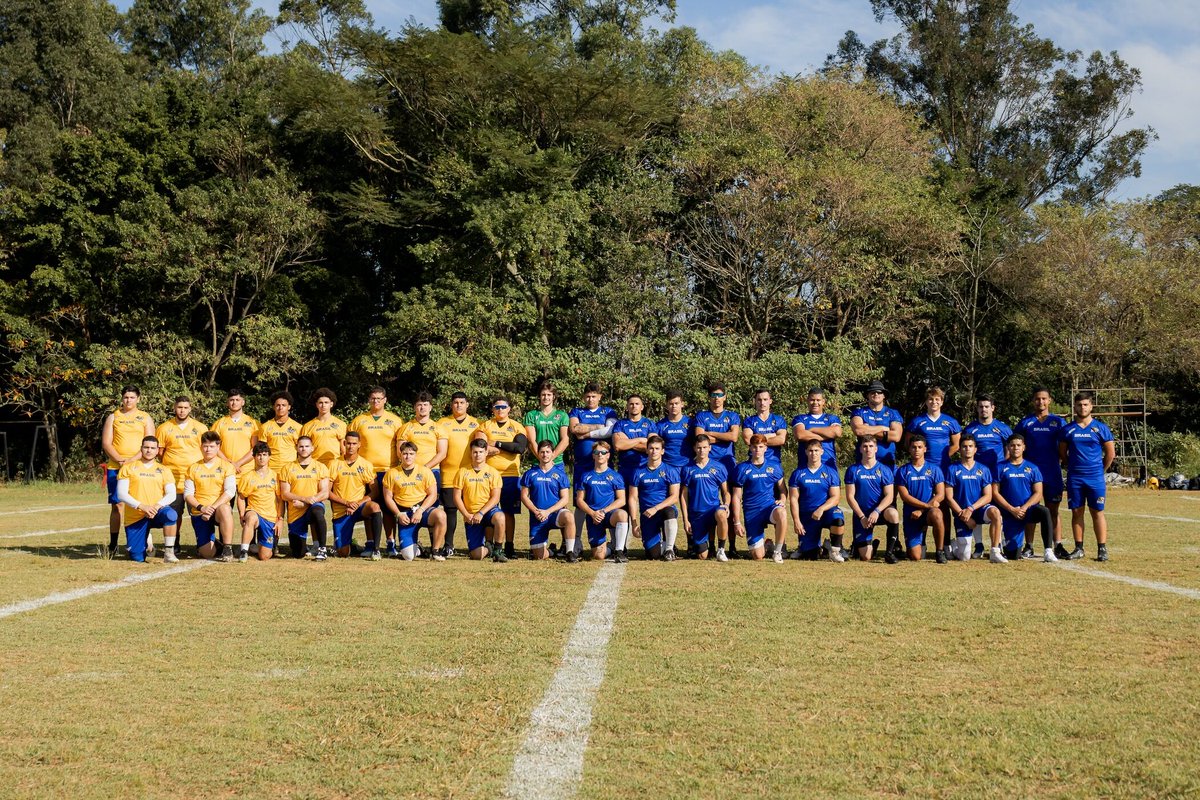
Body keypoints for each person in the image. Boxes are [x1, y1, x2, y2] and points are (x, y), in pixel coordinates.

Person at [1058, 392, 1116, 562]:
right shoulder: (1067, 429)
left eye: (1085, 404)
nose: (1082, 408)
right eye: (1079, 405)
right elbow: (1062, 453)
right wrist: (1072, 467)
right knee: (1077, 512)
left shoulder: (1101, 428)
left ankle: (1102, 548)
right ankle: (1079, 548)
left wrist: (1101, 470)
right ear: (1075, 407)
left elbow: (1110, 454)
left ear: (1091, 406)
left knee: (1097, 511)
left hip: (1095, 478)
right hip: (1075, 478)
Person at [1015, 387, 1070, 559]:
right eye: (1037, 399)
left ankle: (1057, 545)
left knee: (1053, 510)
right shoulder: (1025, 423)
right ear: (1033, 401)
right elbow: (1015, 445)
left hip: (1052, 473)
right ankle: (1029, 546)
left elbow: (1067, 445)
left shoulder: (1058, 422)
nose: (1041, 402)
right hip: (1030, 475)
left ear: (1050, 400)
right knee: (1031, 509)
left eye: (1044, 398)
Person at [101, 386, 156, 552]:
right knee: (117, 505)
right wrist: (119, 460)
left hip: (138, 466)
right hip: (116, 467)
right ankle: (113, 544)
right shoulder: (113, 417)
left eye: (132, 397)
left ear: (138, 399)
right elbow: (106, 443)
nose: (128, 400)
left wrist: (131, 461)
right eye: (126, 397)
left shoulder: (145, 417)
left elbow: (151, 443)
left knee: (140, 503)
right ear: (122, 398)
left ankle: (144, 540)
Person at [348, 387, 404, 550]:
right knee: (369, 508)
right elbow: (350, 443)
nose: (376, 401)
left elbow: (401, 446)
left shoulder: (395, 420)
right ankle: (370, 542)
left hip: (388, 470)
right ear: (369, 400)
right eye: (373, 398)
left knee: (388, 508)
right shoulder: (359, 420)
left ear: (385, 400)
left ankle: (390, 542)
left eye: (379, 398)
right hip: (364, 471)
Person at [569, 383, 618, 555]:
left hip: (604, 466)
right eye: (588, 396)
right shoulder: (576, 412)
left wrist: (587, 432)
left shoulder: (609, 412)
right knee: (580, 503)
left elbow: (610, 431)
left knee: (608, 502)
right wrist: (599, 426)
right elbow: (575, 429)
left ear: (600, 397)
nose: (590, 399)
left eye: (594, 396)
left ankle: (615, 543)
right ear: (584, 397)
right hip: (582, 466)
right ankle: (576, 540)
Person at [993, 434, 1057, 562]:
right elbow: (995, 493)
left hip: (1027, 510)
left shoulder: (1033, 468)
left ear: (1024, 447)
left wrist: (1024, 508)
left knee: (1044, 511)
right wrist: (1012, 509)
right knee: (1013, 556)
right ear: (1008, 448)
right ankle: (1005, 543)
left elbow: (1038, 492)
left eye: (1018, 445)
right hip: (1009, 513)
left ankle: (1048, 550)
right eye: (1012, 445)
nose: (1015, 448)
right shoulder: (999, 467)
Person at [115, 436, 178, 563]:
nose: (149, 450)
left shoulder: (164, 470)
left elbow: (172, 494)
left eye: (153, 448)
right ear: (141, 449)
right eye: (146, 447)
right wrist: (142, 506)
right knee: (137, 557)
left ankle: (169, 553)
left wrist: (156, 506)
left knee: (171, 515)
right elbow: (121, 494)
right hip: (136, 516)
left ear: (157, 451)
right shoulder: (128, 468)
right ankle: (147, 540)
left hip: (156, 511)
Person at [399, 390, 448, 554]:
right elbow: (400, 451)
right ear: (414, 407)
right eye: (419, 405)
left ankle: (435, 546)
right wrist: (414, 468)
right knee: (410, 506)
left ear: (431, 407)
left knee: (431, 508)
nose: (422, 408)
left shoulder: (438, 428)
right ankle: (413, 542)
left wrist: (425, 468)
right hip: (409, 473)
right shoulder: (406, 427)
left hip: (431, 472)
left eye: (425, 405)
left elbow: (442, 453)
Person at [382, 441, 447, 561]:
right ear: (400, 455)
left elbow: (433, 495)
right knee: (408, 556)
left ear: (416, 455)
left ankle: (435, 551)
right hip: (405, 514)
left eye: (411, 454)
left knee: (441, 515)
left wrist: (420, 510)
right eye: (405, 453)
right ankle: (419, 549)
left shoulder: (425, 471)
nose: (408, 456)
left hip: (422, 510)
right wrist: (398, 514)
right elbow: (388, 497)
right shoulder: (391, 473)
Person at [945, 434, 1003, 562]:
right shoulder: (952, 469)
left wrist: (971, 508)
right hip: (962, 513)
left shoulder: (983, 469)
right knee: (964, 557)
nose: (967, 449)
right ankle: (954, 546)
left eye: (970, 446)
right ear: (959, 449)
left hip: (978, 510)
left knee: (995, 512)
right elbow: (949, 498)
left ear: (975, 449)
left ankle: (995, 551)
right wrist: (963, 515)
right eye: (964, 446)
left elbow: (988, 496)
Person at [731, 434, 789, 562]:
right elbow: (736, 496)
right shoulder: (741, 469)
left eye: (761, 447)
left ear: (766, 448)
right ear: (750, 448)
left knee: (782, 512)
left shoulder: (774, 466)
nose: (757, 450)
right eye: (754, 447)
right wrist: (737, 522)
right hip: (752, 512)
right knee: (758, 556)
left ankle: (778, 551)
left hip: (769, 507)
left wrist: (783, 500)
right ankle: (767, 544)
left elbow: (783, 490)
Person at [436, 392, 481, 557]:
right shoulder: (442, 423)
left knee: (473, 508)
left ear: (467, 404)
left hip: (471, 474)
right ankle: (449, 545)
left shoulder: (476, 423)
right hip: (449, 474)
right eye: (456, 402)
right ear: (451, 404)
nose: (459, 405)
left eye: (462, 402)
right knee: (450, 510)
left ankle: (477, 544)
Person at [484, 395, 528, 560]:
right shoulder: (486, 425)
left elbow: (519, 448)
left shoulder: (517, 427)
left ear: (509, 409)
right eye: (497, 407)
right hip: (489, 475)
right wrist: (507, 447)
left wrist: (496, 444)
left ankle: (509, 545)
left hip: (510, 475)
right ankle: (489, 544)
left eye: (503, 407)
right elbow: (481, 447)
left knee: (509, 512)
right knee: (489, 510)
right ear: (493, 409)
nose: (500, 410)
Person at [156, 396, 208, 533]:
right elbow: (160, 452)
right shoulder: (164, 428)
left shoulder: (201, 428)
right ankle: (174, 541)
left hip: (195, 479)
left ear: (190, 409)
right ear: (174, 408)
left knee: (198, 513)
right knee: (173, 514)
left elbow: (207, 450)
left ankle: (202, 541)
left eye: (185, 408)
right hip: (173, 479)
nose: (182, 410)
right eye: (179, 407)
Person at [844, 437, 900, 562]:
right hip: (862, 515)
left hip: (880, 512)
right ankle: (871, 546)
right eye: (865, 446)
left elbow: (889, 496)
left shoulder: (884, 470)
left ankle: (889, 553)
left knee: (893, 513)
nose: (868, 449)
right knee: (865, 557)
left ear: (876, 449)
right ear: (860, 449)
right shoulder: (853, 470)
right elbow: (850, 496)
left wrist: (877, 511)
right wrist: (861, 517)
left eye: (870, 446)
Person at [328, 431, 384, 558]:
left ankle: (375, 549)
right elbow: (327, 492)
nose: (351, 446)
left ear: (359, 444)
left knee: (375, 507)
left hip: (359, 507)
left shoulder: (366, 465)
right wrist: (347, 503)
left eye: (354, 444)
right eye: (348, 443)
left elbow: (375, 491)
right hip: (342, 510)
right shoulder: (334, 464)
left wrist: (357, 503)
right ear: (344, 443)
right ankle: (351, 545)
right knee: (343, 553)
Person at [788, 439, 846, 561]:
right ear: (806, 452)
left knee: (838, 518)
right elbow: (793, 499)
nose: (813, 453)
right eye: (810, 451)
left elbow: (835, 497)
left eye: (816, 450)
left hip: (826, 512)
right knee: (810, 556)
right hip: (807, 516)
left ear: (822, 452)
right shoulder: (797, 473)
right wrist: (797, 521)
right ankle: (822, 547)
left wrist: (821, 509)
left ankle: (835, 551)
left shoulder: (831, 472)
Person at [183, 431, 237, 561]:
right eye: (205, 446)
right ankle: (216, 544)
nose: (208, 449)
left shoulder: (227, 466)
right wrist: (202, 507)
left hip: (218, 509)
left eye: (212, 446)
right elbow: (188, 494)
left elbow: (230, 491)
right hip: (200, 511)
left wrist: (212, 508)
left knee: (225, 508)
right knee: (207, 553)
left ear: (218, 447)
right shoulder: (193, 468)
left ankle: (227, 548)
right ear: (201, 447)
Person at [520, 440, 576, 561]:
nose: (545, 454)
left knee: (569, 516)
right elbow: (524, 496)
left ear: (553, 453)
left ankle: (570, 552)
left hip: (554, 514)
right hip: (538, 517)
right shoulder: (530, 473)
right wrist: (537, 512)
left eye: (547, 452)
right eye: (542, 452)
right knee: (540, 556)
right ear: (538, 453)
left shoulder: (560, 474)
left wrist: (548, 511)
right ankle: (551, 551)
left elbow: (565, 498)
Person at [894, 434, 946, 563]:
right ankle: (920, 539)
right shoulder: (902, 471)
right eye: (913, 447)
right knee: (915, 557)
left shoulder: (934, 469)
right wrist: (926, 506)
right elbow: (905, 497)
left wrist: (923, 510)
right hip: (911, 514)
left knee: (937, 514)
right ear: (909, 449)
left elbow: (941, 494)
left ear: (925, 449)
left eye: (919, 447)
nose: (916, 450)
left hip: (928, 512)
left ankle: (939, 551)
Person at [279, 436, 332, 560]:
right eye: (301, 446)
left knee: (317, 511)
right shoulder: (287, 468)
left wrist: (306, 503)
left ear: (312, 448)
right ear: (296, 448)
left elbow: (325, 493)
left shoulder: (320, 467)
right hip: (295, 512)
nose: (304, 449)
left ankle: (322, 549)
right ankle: (304, 547)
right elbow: (285, 494)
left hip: (313, 506)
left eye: (307, 446)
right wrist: (304, 499)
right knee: (298, 553)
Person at [454, 438, 506, 561]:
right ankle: (489, 548)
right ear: (471, 453)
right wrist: (466, 514)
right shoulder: (462, 472)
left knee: (500, 517)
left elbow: (495, 497)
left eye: (481, 452)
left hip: (488, 512)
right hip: (471, 516)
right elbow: (456, 497)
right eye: (475, 452)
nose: (478, 455)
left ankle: (498, 550)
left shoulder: (493, 472)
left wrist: (481, 513)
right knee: (477, 555)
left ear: (486, 452)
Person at [629, 435, 681, 560]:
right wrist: (634, 523)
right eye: (651, 448)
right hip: (647, 514)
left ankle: (669, 550)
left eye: (657, 448)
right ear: (646, 450)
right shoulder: (637, 472)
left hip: (663, 510)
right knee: (653, 555)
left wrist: (656, 508)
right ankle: (665, 544)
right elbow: (632, 498)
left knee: (669, 511)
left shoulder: (670, 471)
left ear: (662, 451)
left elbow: (674, 497)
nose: (654, 451)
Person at [681, 435, 730, 561]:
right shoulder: (687, 469)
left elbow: (726, 492)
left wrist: (726, 505)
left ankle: (721, 550)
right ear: (694, 448)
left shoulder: (719, 467)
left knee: (721, 514)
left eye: (704, 447)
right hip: (697, 513)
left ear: (709, 448)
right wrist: (686, 519)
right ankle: (708, 545)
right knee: (702, 556)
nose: (702, 450)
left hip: (713, 510)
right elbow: (683, 495)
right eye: (699, 448)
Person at [576, 443, 629, 562]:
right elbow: (579, 500)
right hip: (593, 517)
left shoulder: (616, 476)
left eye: (603, 452)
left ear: (608, 455)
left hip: (609, 514)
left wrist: (604, 511)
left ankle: (619, 551)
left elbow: (622, 500)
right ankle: (610, 547)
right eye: (597, 452)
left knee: (622, 514)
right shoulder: (585, 476)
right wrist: (592, 513)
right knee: (598, 556)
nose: (600, 455)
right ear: (593, 456)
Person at [236, 442, 284, 561]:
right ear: (254, 457)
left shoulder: (275, 476)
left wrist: (280, 519)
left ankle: (261, 547)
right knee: (251, 517)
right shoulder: (247, 477)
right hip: (254, 511)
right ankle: (244, 551)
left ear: (269, 457)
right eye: (258, 455)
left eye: (264, 454)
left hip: (270, 517)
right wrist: (242, 514)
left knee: (264, 556)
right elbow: (241, 497)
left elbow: (280, 500)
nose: (261, 458)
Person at [693, 382, 741, 482]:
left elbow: (733, 437)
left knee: (728, 490)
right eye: (713, 395)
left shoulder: (732, 416)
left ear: (724, 397)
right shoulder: (701, 416)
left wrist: (709, 433)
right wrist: (725, 438)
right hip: (707, 460)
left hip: (727, 459)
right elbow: (700, 438)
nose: (717, 398)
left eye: (719, 395)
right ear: (709, 397)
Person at [850, 380, 903, 467]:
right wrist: (883, 428)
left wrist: (868, 430)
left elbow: (896, 436)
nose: (876, 394)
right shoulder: (859, 412)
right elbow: (859, 430)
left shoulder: (893, 413)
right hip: (864, 464)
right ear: (868, 395)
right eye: (872, 392)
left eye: (879, 392)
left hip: (887, 463)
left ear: (884, 395)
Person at [791, 387, 842, 472]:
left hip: (828, 465)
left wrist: (812, 429)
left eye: (818, 400)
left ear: (823, 402)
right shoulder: (800, 418)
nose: (815, 403)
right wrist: (826, 436)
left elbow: (837, 432)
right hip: (805, 466)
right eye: (812, 400)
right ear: (807, 401)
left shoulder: (832, 418)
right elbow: (800, 435)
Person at [210, 388, 259, 474]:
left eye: (237, 400)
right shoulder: (219, 423)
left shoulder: (253, 423)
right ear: (227, 403)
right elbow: (214, 447)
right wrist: (228, 463)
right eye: (231, 400)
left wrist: (238, 463)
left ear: (243, 402)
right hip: (225, 470)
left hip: (247, 471)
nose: (234, 403)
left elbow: (256, 448)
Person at [613, 394, 654, 489]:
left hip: (644, 468)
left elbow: (652, 447)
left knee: (644, 497)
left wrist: (627, 442)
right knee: (625, 498)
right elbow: (618, 445)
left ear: (642, 407)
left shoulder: (650, 424)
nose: (634, 406)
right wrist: (640, 440)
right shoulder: (620, 424)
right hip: (624, 469)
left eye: (637, 404)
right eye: (631, 404)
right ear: (627, 407)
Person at [523, 381, 570, 463]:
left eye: (549, 395)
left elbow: (565, 440)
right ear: (539, 396)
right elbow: (531, 441)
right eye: (543, 395)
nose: (546, 397)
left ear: (553, 397)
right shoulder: (531, 415)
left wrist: (550, 458)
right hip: (538, 462)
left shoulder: (562, 415)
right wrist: (542, 459)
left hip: (556, 462)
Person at [300, 387, 347, 469]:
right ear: (317, 404)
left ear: (331, 404)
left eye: (326, 402)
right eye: (320, 403)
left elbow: (344, 449)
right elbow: (302, 449)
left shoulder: (340, 424)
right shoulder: (308, 426)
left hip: (334, 465)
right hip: (314, 466)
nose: (323, 405)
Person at [741, 389, 788, 465]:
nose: (762, 403)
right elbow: (748, 440)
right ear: (755, 401)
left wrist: (756, 438)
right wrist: (771, 435)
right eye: (759, 400)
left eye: (765, 399)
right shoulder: (749, 420)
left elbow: (781, 440)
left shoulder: (779, 420)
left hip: (774, 463)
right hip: (754, 463)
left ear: (770, 401)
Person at [261, 391, 302, 475]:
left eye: (283, 405)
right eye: (278, 405)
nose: (280, 408)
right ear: (274, 407)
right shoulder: (265, 427)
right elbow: (261, 450)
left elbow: (302, 451)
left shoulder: (298, 427)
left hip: (291, 469)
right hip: (271, 469)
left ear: (289, 407)